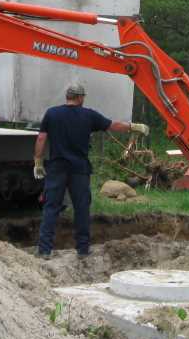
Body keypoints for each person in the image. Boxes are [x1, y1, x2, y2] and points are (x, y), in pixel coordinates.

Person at [34, 82, 149, 259]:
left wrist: (38, 162)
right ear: (80, 98)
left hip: (57, 168)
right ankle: (82, 250)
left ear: (67, 96)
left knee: (51, 208)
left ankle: (44, 250)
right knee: (81, 209)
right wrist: (133, 127)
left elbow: (41, 138)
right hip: (79, 170)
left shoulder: (52, 113)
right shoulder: (89, 115)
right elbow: (113, 126)